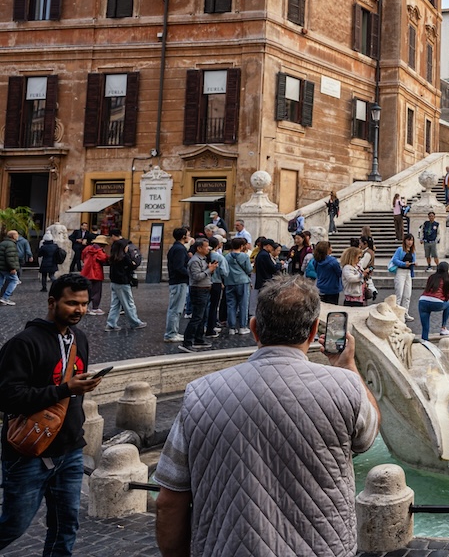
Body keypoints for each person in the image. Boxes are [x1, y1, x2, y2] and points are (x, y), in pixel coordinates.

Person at [155, 274, 379, 556]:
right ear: (312, 332)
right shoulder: (345, 386)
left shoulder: (198, 393)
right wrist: (348, 365)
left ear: (254, 328)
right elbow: (368, 436)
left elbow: (169, 499)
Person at [0, 273, 104, 556]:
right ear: (51, 302)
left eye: (84, 304)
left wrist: (78, 388)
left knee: (66, 525)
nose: (80, 310)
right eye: (72, 303)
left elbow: (72, 393)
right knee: (12, 525)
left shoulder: (79, 338)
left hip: (69, 450)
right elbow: (8, 397)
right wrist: (64, 389)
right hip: (28, 453)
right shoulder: (23, 344)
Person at [181, 237, 219, 352]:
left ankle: (198, 338)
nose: (208, 249)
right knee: (197, 317)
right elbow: (196, 277)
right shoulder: (195, 261)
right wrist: (209, 270)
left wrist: (210, 268)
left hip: (205, 289)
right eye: (206, 247)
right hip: (198, 290)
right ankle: (187, 341)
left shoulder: (203, 259)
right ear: (199, 248)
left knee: (203, 316)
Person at [106, 238, 147, 331]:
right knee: (129, 303)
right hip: (123, 282)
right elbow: (132, 265)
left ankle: (111, 323)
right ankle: (135, 322)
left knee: (115, 304)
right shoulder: (124, 257)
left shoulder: (113, 257)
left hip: (114, 282)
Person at [224, 237, 252, 336]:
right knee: (243, 304)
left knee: (231, 305)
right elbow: (249, 269)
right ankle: (242, 326)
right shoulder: (244, 257)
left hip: (230, 282)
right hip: (242, 281)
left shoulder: (227, 256)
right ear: (241, 246)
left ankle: (231, 327)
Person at [417, 262, 449, 340]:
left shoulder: (431, 277)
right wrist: (444, 300)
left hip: (423, 300)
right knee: (448, 305)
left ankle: (425, 341)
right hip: (437, 302)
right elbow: (447, 293)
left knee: (425, 327)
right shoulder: (447, 279)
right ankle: (443, 328)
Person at [388, 233, 417, 319]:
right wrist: (404, 264)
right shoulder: (400, 250)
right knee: (399, 294)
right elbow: (395, 260)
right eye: (408, 240)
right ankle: (397, 313)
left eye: (411, 240)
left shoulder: (413, 252)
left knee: (407, 294)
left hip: (408, 273)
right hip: (400, 272)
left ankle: (405, 313)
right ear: (405, 241)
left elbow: (413, 261)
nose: (410, 242)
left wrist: (413, 264)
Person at [79, 234, 109, 315]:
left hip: (86, 272)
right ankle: (95, 308)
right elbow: (103, 258)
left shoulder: (87, 248)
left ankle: (85, 307)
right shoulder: (99, 251)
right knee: (96, 291)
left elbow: (82, 256)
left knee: (87, 291)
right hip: (96, 273)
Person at [309, 240, 343, 305]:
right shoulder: (333, 261)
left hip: (320, 287)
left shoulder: (316, 261)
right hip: (332, 288)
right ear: (327, 249)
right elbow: (339, 273)